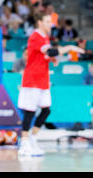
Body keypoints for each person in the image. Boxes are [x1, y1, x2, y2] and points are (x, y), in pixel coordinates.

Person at [17, 12, 85, 157]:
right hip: (33, 80)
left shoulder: (45, 38)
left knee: (46, 110)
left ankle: (33, 138)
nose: (50, 24)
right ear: (40, 22)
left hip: (43, 80)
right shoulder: (35, 36)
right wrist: (69, 48)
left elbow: (46, 54)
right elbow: (52, 50)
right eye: (48, 21)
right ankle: (24, 144)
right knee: (30, 112)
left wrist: (51, 59)